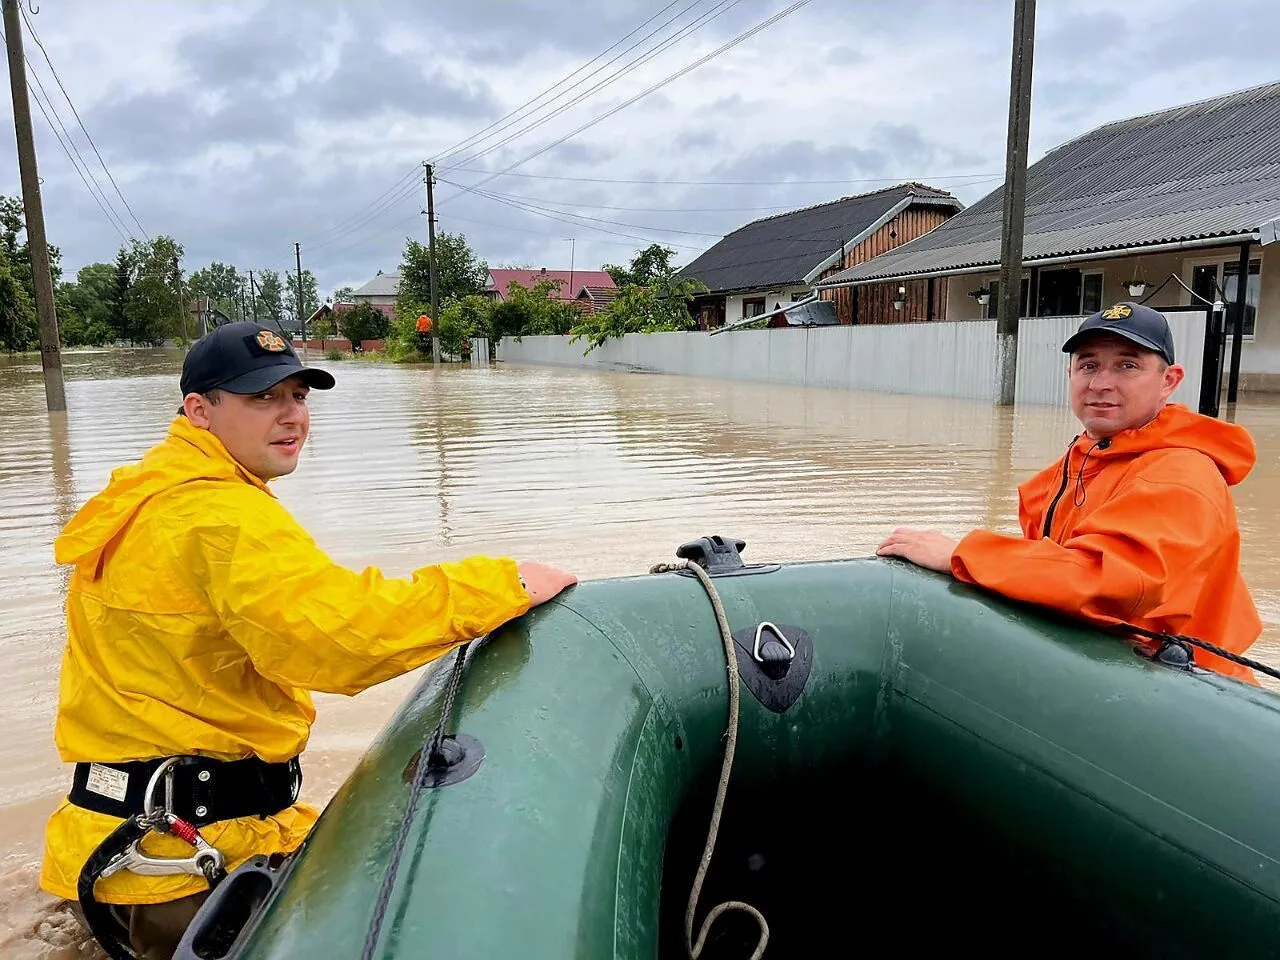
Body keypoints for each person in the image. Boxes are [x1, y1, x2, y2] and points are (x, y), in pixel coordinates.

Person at [40, 322, 577, 958]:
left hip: (106, 844)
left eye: (299, 395)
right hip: (183, 866)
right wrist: (501, 584)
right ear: (199, 410)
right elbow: (337, 637)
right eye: (263, 398)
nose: (291, 416)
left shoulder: (141, 493)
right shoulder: (222, 516)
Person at [877, 302, 1261, 682]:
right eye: (1088, 365)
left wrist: (961, 554)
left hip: (1190, 691)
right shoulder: (1084, 459)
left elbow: (1107, 582)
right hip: (1108, 671)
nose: (1100, 383)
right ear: (1070, 374)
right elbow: (1055, 563)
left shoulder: (1180, 473)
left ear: (1169, 381)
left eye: (1127, 365)